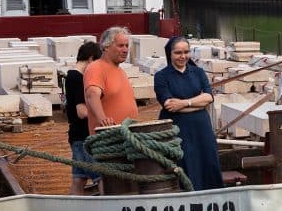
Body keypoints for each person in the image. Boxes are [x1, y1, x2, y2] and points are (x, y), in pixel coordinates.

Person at [154, 36, 224, 191]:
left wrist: (184, 103)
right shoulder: (161, 76)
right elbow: (170, 106)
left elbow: (208, 97)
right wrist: (197, 103)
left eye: (186, 52)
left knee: (208, 161)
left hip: (202, 129)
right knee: (184, 164)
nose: (183, 56)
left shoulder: (198, 72)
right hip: (178, 130)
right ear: (170, 54)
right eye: (178, 52)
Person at [65, 41, 103, 195]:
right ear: (91, 59)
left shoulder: (70, 75)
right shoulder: (79, 79)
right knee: (101, 177)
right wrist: (102, 113)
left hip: (76, 135)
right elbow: (82, 111)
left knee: (79, 178)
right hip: (84, 136)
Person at [84, 26, 139, 133]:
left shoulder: (120, 71)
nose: (125, 50)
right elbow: (92, 94)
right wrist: (102, 119)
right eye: (120, 46)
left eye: (127, 46)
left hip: (126, 137)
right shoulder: (96, 68)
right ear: (106, 47)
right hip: (109, 139)